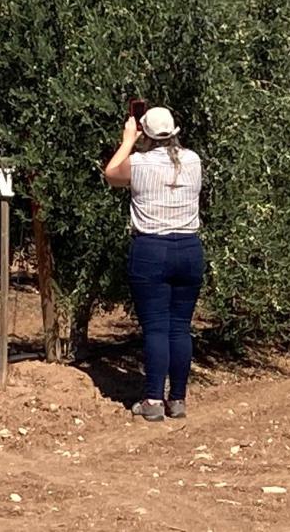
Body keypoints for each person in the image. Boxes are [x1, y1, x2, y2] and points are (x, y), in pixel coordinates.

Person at [104, 106, 204, 422]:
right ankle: (177, 399)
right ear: (174, 132)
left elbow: (111, 174)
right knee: (180, 327)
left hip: (151, 249)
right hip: (189, 249)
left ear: (145, 134)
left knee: (156, 328)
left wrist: (127, 140)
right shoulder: (193, 160)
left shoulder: (138, 163)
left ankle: (152, 400)